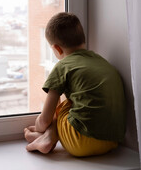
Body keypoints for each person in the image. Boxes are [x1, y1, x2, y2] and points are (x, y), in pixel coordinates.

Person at [24, 12, 126, 157]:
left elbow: (46, 118)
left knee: (63, 104)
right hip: (112, 141)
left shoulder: (63, 66)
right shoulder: (102, 62)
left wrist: (40, 127)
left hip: (79, 142)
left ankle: (47, 137)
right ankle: (47, 137)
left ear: (57, 49)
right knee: (80, 98)